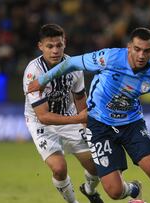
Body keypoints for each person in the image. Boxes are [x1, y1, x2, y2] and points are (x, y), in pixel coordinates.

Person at [28, 27, 150, 203]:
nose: (141, 55)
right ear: (129, 47)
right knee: (114, 191)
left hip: (131, 124)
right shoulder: (109, 57)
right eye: (137, 49)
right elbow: (71, 63)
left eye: (146, 50)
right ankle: (133, 188)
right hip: (99, 125)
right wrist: (43, 79)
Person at [23, 24, 103, 203]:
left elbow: (81, 100)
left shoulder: (73, 66)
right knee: (59, 168)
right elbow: (43, 116)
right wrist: (78, 118)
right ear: (40, 47)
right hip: (40, 123)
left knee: (96, 166)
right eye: (50, 46)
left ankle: (89, 190)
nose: (55, 50)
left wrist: (89, 127)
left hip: (70, 117)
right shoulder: (33, 72)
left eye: (59, 45)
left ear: (64, 43)